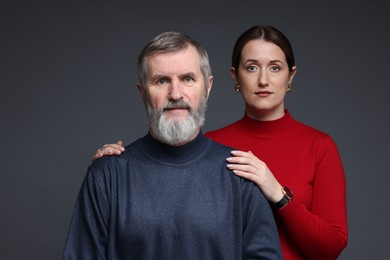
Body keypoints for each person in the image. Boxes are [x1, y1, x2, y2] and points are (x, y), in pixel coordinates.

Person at [93, 25, 348, 259]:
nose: (263, 80)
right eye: (251, 67)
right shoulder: (212, 146)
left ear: (290, 76)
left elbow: (331, 246)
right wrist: (113, 169)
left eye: (275, 67)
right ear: (235, 77)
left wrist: (278, 194)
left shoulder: (319, 146)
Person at [63, 31, 282, 259]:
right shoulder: (107, 176)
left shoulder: (240, 176)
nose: (175, 94)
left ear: (207, 87)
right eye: (161, 81)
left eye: (187, 79)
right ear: (143, 92)